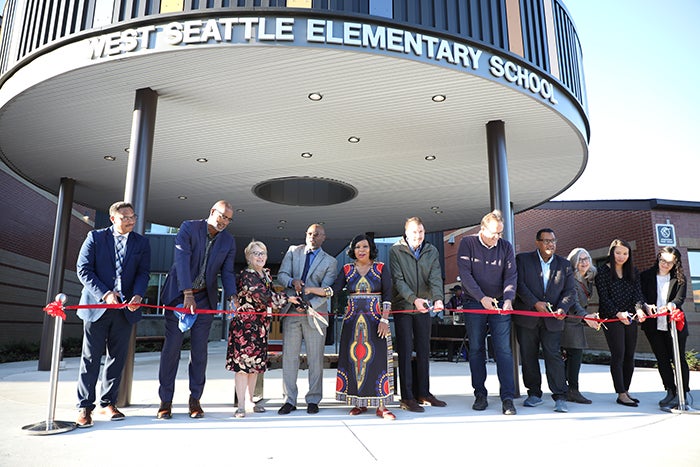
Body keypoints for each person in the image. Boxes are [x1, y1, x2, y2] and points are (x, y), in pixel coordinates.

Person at [157, 200, 238, 419]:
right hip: (178, 296)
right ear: (212, 211)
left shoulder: (228, 241)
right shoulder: (189, 228)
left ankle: (195, 400)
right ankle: (165, 401)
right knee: (171, 350)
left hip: (205, 298)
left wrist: (232, 297)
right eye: (222, 216)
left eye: (229, 219)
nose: (225, 222)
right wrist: (187, 294)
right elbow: (181, 260)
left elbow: (228, 273)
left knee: (199, 352)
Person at [75, 201, 151, 428]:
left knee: (117, 357)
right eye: (124, 217)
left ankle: (107, 402)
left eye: (133, 216)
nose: (130, 220)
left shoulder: (141, 242)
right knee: (90, 358)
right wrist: (105, 294)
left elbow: (143, 273)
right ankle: (84, 407)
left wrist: (138, 295)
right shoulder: (95, 238)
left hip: (126, 309)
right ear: (112, 219)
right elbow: (83, 269)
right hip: (97, 307)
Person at [307, 234, 396, 419]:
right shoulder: (347, 269)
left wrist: (385, 320)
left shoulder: (381, 268)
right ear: (353, 250)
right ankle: (358, 402)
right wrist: (310, 289)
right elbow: (333, 290)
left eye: (364, 246)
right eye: (357, 247)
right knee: (355, 361)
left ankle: (382, 407)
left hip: (376, 322)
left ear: (371, 248)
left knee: (378, 362)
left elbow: (388, 295)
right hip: (352, 323)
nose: (361, 250)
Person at [226, 241, 300, 418]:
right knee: (243, 367)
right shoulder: (247, 275)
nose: (260, 257)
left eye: (263, 253)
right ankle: (241, 405)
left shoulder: (265, 274)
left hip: (260, 326)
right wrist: (289, 299)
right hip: (244, 327)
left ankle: (251, 400)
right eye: (256, 253)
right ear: (248, 257)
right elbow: (264, 297)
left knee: (255, 367)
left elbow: (271, 296)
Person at [456, 209, 517, 415]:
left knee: (504, 351)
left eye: (500, 233)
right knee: (476, 349)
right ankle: (480, 394)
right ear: (482, 229)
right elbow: (465, 274)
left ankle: (507, 398)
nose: (497, 238)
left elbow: (511, 276)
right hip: (474, 303)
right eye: (494, 233)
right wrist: (482, 298)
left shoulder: (505, 247)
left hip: (500, 304)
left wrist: (508, 299)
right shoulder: (467, 243)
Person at [276, 224, 338, 415]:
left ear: (323, 238)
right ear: (306, 235)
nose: (313, 236)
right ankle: (289, 400)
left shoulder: (331, 261)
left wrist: (309, 305)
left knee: (315, 359)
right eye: (310, 233)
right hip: (292, 311)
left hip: (315, 314)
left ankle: (313, 399)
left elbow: (326, 291)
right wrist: (291, 282)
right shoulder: (293, 252)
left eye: (317, 234)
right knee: (289, 358)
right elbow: (281, 275)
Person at [513, 228, 576, 413]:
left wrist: (562, 308)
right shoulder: (523, 260)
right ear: (537, 242)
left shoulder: (564, 264)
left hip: (553, 319)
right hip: (528, 318)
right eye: (546, 241)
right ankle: (534, 393)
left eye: (553, 241)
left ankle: (560, 395)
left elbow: (570, 291)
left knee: (553, 355)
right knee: (528, 355)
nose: (551, 244)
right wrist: (535, 303)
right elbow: (519, 285)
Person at [389, 217, 447, 413]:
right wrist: (413, 299)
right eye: (414, 232)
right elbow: (397, 280)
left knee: (423, 349)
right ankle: (407, 397)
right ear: (406, 233)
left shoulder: (432, 250)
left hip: (424, 306)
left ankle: (424, 392)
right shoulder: (395, 250)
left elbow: (435, 277)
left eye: (421, 231)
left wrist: (438, 299)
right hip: (404, 306)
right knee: (405, 351)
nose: (418, 235)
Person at [594, 239, 647, 407]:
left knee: (629, 355)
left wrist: (639, 309)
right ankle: (621, 393)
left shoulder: (633, 271)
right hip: (612, 317)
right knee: (619, 354)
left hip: (630, 317)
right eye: (618, 253)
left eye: (625, 253)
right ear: (612, 253)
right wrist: (618, 313)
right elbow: (604, 298)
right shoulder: (603, 271)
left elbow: (638, 294)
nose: (621, 256)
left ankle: (626, 389)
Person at [640, 246, 691, 409]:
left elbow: (679, 299)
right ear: (658, 257)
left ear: (675, 262)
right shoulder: (646, 276)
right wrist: (645, 305)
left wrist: (669, 306)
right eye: (662, 260)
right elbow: (640, 296)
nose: (665, 264)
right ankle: (670, 390)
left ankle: (683, 393)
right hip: (653, 325)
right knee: (662, 359)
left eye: (670, 262)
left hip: (674, 324)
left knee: (678, 359)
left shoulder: (679, 278)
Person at [563, 247, 601, 404]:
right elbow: (574, 302)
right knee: (574, 356)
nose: (584, 262)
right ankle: (572, 390)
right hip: (569, 322)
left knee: (572, 357)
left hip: (578, 320)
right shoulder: (571, 279)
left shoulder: (589, 277)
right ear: (574, 262)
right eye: (580, 260)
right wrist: (586, 317)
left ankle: (568, 388)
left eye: (586, 259)